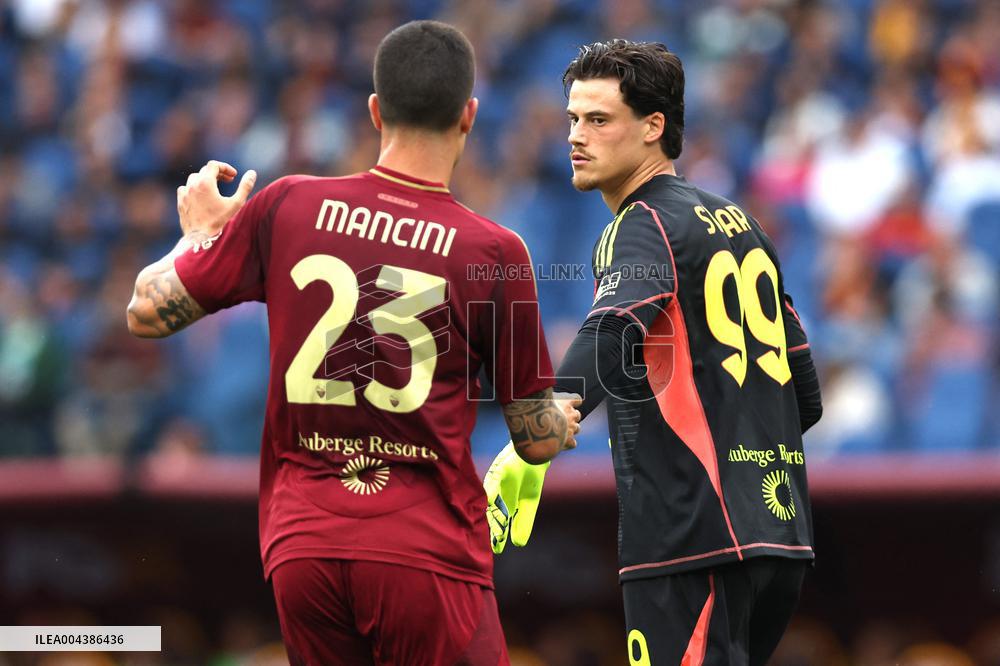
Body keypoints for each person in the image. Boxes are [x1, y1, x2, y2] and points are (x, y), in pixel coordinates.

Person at [127, 20, 580, 666]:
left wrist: (199, 234)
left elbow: (145, 312)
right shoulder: (494, 252)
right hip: (424, 556)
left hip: (302, 550)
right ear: (469, 117)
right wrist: (561, 421)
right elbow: (534, 436)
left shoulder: (287, 206)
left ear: (375, 111)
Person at [487, 40, 822, 665]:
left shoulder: (640, 223)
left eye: (598, 119)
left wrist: (534, 436)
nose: (575, 137)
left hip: (690, 543)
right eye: (571, 119)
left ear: (653, 127)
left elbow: (612, 331)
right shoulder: (741, 223)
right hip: (779, 538)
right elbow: (805, 396)